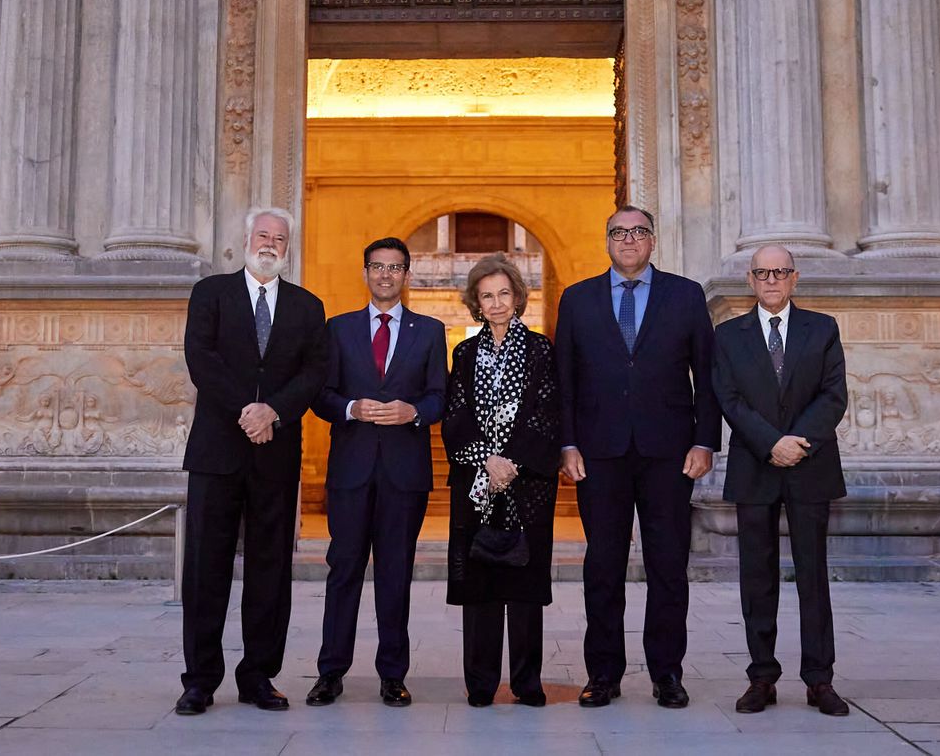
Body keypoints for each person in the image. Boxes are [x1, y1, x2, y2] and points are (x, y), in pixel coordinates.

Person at [555, 206, 720, 709]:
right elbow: (565, 379)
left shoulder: (686, 295)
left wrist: (705, 441)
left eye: (638, 232)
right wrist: (567, 443)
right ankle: (602, 674)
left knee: (668, 566)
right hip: (598, 453)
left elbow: (707, 375)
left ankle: (666, 674)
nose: (629, 240)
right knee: (602, 566)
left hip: (670, 453)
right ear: (606, 241)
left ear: (653, 240)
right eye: (619, 233)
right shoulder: (577, 299)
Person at [176, 207, 328, 715]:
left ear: (289, 246)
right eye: (262, 235)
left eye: (279, 238)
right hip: (218, 451)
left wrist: (274, 411)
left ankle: (259, 675)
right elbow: (202, 360)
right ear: (246, 239)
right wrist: (248, 409)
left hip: (276, 454)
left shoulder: (308, 307)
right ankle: (199, 680)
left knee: (270, 570)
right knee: (205, 569)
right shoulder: (211, 294)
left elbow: (314, 373)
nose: (270, 243)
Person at [306, 237, 448, 709]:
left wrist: (413, 412)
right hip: (351, 470)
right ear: (365, 272)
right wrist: (350, 407)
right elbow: (320, 394)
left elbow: (439, 398)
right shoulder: (338, 329)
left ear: (407, 275)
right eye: (377, 267)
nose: (386, 275)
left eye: (395, 267)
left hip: (404, 473)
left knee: (395, 573)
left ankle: (393, 674)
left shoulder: (430, 331)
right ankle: (330, 672)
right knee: (343, 569)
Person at [712, 244, 850, 718]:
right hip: (755, 464)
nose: (771, 280)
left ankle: (819, 680)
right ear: (750, 281)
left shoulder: (823, 328)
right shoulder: (727, 336)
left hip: (810, 465)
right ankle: (762, 677)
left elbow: (834, 396)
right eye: (762, 273)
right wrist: (771, 443)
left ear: (795, 278)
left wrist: (796, 442)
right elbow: (728, 399)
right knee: (757, 576)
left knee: (813, 576)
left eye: (780, 272)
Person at [442, 254, 561, 708]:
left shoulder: (540, 349)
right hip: (476, 482)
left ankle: (528, 682)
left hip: (527, 483)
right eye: (486, 295)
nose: (495, 303)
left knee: (526, 584)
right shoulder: (464, 352)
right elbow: (455, 416)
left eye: (503, 294)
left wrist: (512, 462)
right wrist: (487, 461)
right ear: (476, 301)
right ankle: (481, 683)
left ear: (517, 298)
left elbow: (548, 414)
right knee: (481, 583)